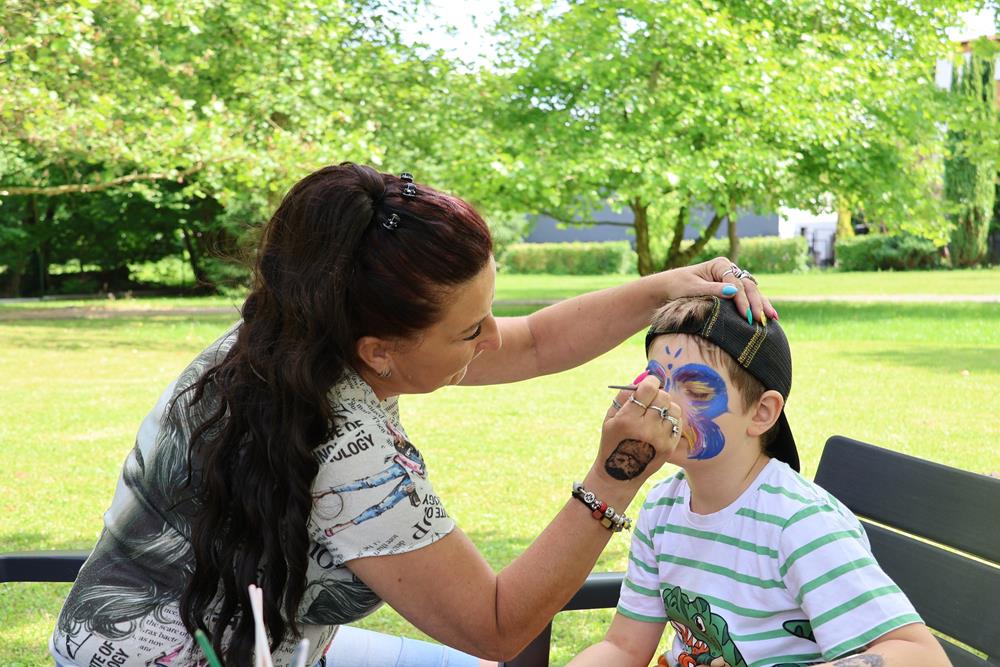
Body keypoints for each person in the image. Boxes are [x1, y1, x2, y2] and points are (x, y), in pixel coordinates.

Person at [49, 163, 774, 667]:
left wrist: (662, 290)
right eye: (469, 331)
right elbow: (495, 621)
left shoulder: (294, 331)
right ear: (381, 350)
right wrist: (615, 477)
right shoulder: (343, 448)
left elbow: (534, 340)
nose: (493, 338)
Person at [568, 296, 950, 667]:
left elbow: (920, 655)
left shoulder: (798, 524)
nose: (664, 403)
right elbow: (622, 647)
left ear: (762, 412)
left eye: (697, 391)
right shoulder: (661, 508)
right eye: (655, 382)